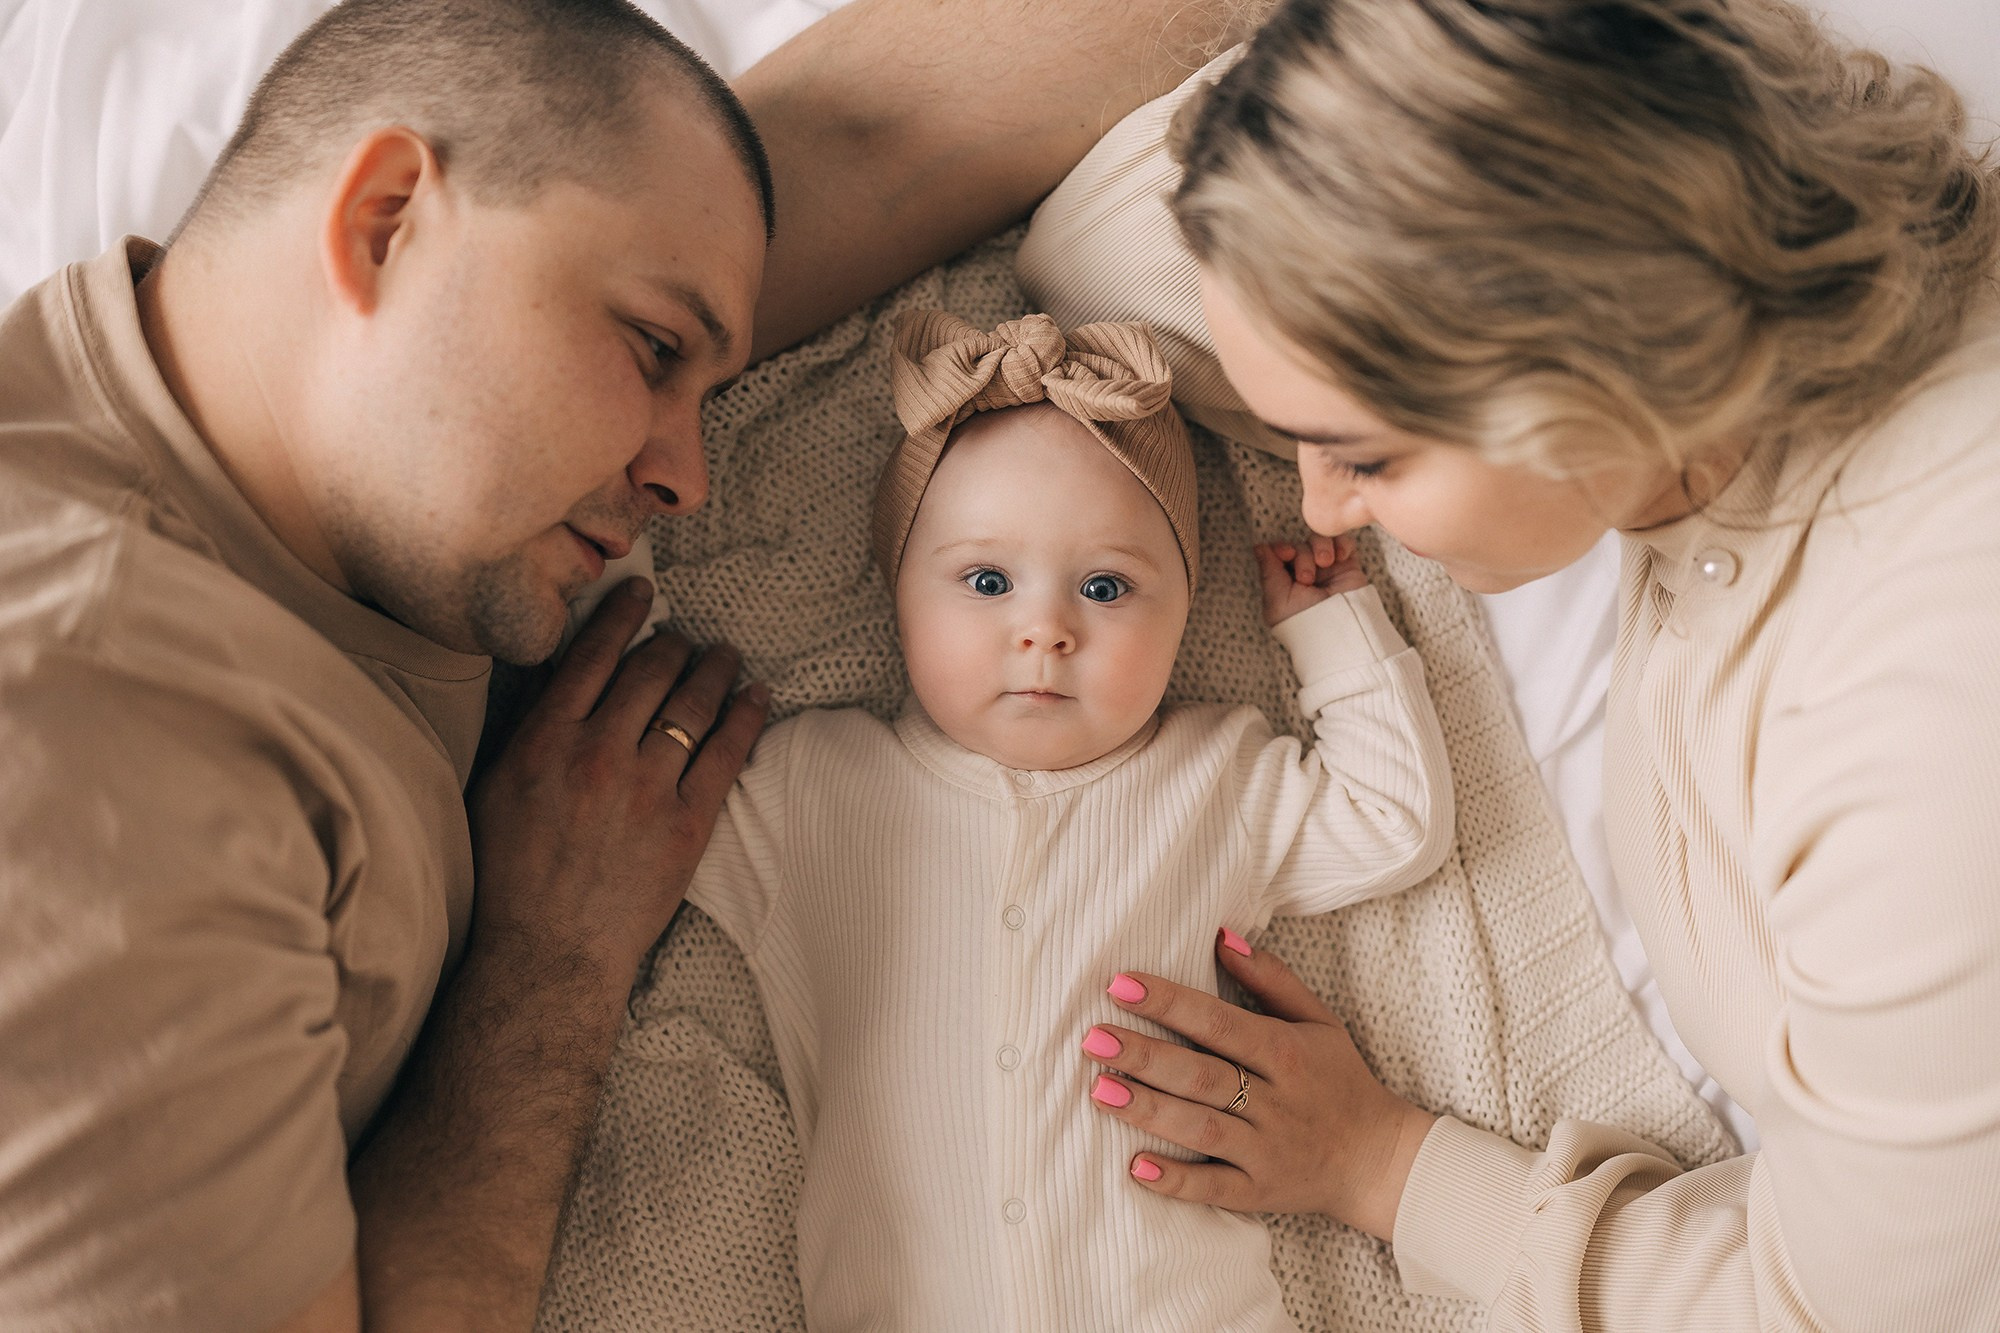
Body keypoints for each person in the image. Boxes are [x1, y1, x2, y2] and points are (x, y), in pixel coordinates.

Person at [0, 0, 1264, 1327]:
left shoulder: (305, 421)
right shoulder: (86, 755)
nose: (690, 473)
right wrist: (551, 960)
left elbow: (872, 144)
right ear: (381, 221)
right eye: (657, 354)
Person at [1028, 0, 2000, 1327]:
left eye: (1362, 455)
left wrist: (1384, 1166)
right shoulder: (1756, 286)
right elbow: (1094, 252)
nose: (1317, 511)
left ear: (1587, 360)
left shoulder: (1917, 754)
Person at [679, 308, 1453, 1329]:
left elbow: (1392, 818)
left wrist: (1330, 629)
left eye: (1105, 586)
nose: (1044, 628)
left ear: (1183, 614)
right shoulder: (803, 790)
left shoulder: (1208, 778)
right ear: (897, 596)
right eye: (985, 581)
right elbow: (614, 830)